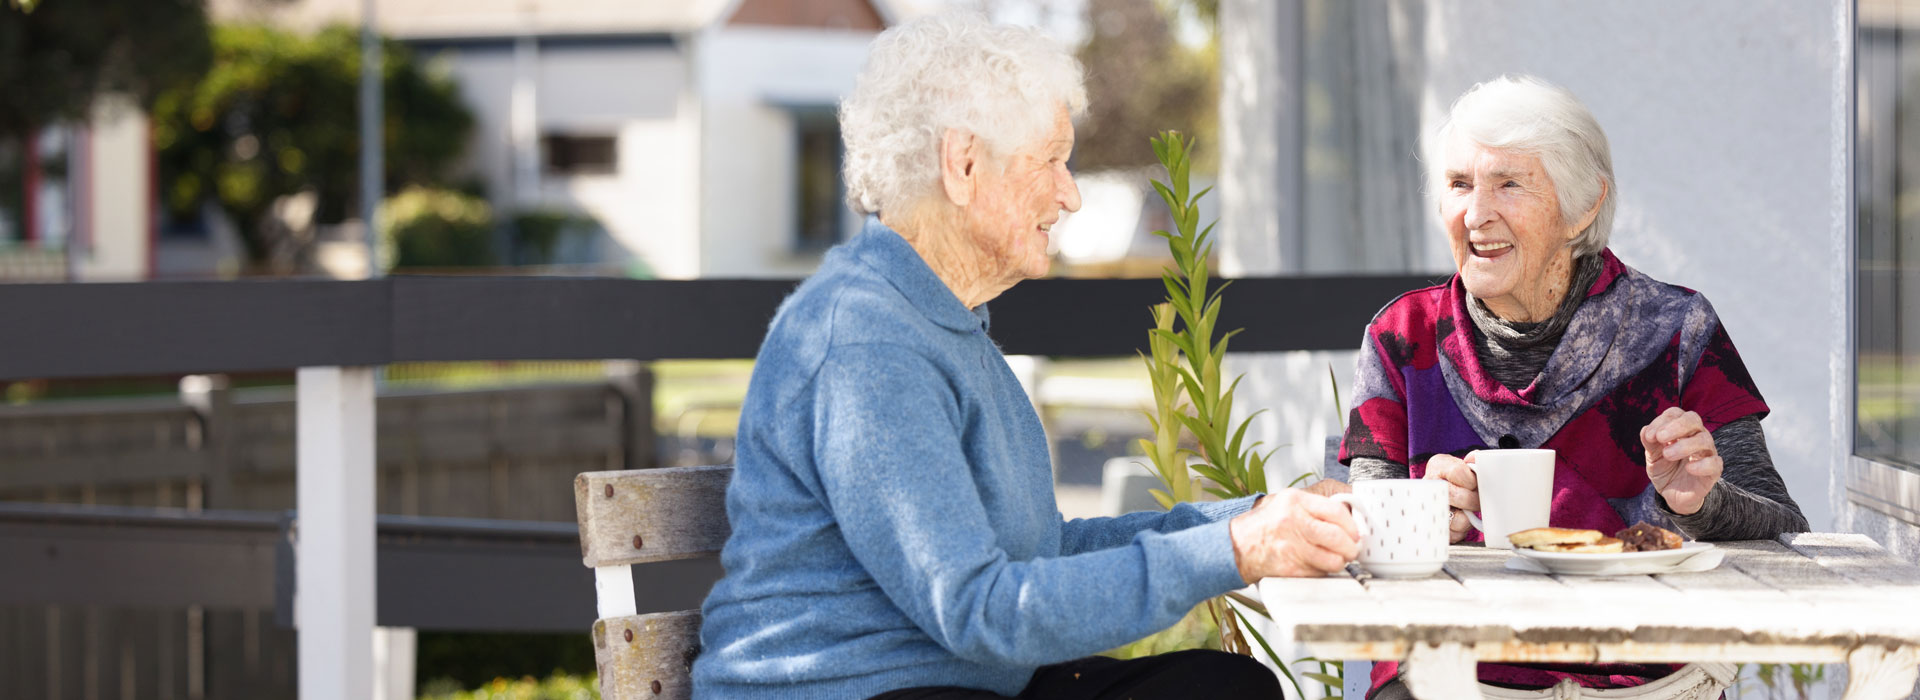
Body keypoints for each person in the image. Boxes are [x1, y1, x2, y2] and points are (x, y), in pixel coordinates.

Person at [692, 14, 1363, 700]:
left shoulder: (937, 325)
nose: (1070, 193)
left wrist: (1257, 520)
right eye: (1050, 159)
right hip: (852, 692)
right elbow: (978, 608)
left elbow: (1042, 555)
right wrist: (1236, 549)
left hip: (961, 685)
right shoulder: (867, 343)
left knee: (1221, 687)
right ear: (964, 165)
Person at [1340, 75, 1809, 699]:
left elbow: (1784, 527)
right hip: (1452, 675)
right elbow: (1357, 538)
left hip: (1645, 680)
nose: (1475, 214)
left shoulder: (1675, 329)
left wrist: (1698, 502)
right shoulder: (1404, 336)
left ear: (1583, 206)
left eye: (1509, 183)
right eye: (1459, 184)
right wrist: (1424, 519)